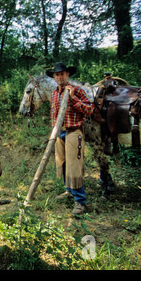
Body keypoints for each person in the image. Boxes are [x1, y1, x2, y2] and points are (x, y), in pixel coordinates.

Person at [46, 62, 94, 215]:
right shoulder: (54, 93)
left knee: (74, 166)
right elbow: (54, 114)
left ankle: (80, 201)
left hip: (74, 131)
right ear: (54, 77)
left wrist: (73, 98)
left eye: (62, 73)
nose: (60, 76)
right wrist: (54, 131)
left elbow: (89, 109)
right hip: (60, 132)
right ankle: (69, 191)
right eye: (57, 74)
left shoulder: (77, 90)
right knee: (63, 163)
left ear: (68, 75)